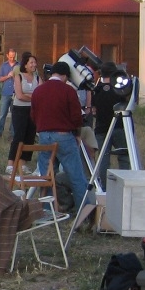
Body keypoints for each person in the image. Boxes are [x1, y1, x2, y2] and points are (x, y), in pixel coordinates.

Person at [30, 61, 90, 211]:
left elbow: (33, 115)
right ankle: (84, 210)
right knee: (76, 175)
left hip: (44, 136)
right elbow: (76, 117)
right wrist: (77, 134)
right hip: (64, 136)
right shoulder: (68, 90)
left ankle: (47, 209)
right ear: (65, 76)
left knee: (47, 176)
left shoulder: (38, 91)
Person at [92, 61, 132, 190]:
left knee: (103, 159)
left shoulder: (97, 90)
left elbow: (93, 110)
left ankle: (104, 187)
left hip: (101, 129)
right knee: (124, 156)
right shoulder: (119, 89)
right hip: (119, 127)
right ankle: (126, 184)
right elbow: (128, 100)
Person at [5, 52, 40, 175]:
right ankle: (10, 163)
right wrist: (33, 97)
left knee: (30, 136)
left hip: (33, 110)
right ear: (25, 65)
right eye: (31, 62)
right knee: (19, 135)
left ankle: (23, 163)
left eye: (35, 62)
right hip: (19, 109)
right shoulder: (19, 77)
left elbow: (40, 94)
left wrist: (31, 97)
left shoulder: (37, 77)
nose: (34, 65)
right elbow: (19, 95)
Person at [0, 48, 19, 138]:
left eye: (13, 57)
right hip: (5, 93)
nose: (12, 59)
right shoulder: (3, 66)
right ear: (7, 56)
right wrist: (8, 76)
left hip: (15, 93)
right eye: (10, 57)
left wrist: (15, 76)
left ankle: (12, 134)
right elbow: (0, 79)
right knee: (2, 114)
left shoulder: (19, 65)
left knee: (14, 115)